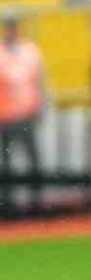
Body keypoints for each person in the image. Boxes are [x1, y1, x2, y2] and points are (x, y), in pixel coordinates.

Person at [0, 17, 45, 215]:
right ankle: (8, 202)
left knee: (33, 159)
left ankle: (37, 201)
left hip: (26, 112)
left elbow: (39, 81)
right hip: (4, 115)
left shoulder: (30, 51)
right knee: (7, 162)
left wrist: (40, 107)